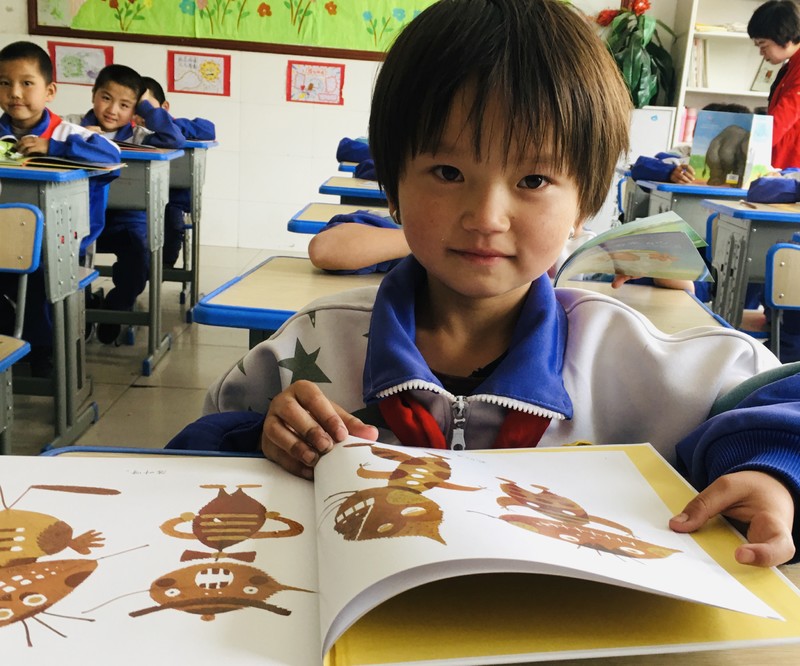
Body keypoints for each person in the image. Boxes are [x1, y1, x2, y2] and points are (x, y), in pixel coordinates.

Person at [170, 0, 800, 568]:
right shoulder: (304, 350)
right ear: (393, 184)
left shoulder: (633, 359)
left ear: (585, 203)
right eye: (448, 171)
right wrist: (259, 441)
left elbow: (781, 405)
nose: (486, 217)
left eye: (533, 181)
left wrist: (770, 471)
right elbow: (181, 471)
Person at [0, 41, 121, 375]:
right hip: (5, 240)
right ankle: (14, 336)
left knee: (37, 275)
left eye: (27, 83)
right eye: (4, 83)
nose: (15, 93)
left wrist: (54, 147)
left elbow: (111, 157)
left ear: (50, 91)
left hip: (60, 243)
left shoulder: (68, 132)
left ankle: (42, 349)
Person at [66, 64, 184, 344]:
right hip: (81, 219)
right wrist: (79, 137)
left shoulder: (138, 135)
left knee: (139, 257)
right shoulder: (72, 125)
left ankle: (116, 306)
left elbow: (174, 139)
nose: (112, 110)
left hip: (127, 222)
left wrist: (148, 107)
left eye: (125, 105)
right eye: (106, 98)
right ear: (94, 95)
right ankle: (83, 307)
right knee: (66, 260)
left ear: (135, 109)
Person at [139, 76, 216, 268]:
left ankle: (164, 266)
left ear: (164, 107)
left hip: (173, 200)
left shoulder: (176, 128)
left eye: (144, 105)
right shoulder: (133, 134)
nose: (139, 113)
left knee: (171, 221)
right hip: (137, 198)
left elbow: (209, 129)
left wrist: (156, 118)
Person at [748, 0, 800, 170]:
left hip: (791, 165)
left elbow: (784, 114)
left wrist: (749, 150)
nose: (761, 53)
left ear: (785, 37)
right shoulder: (790, 66)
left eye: (763, 45)